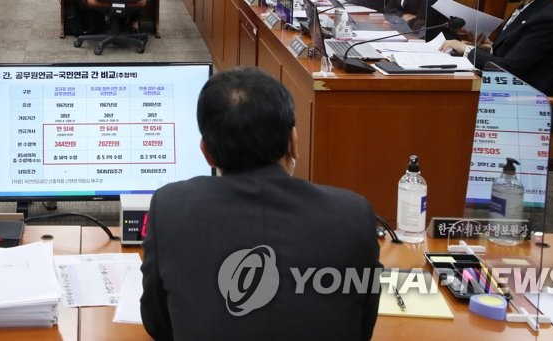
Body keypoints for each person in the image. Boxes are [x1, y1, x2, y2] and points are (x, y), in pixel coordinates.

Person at [140, 66, 380, 340]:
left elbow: (158, 325)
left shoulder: (170, 208)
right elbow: (361, 328)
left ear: (206, 152)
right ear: (293, 141)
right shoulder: (353, 214)